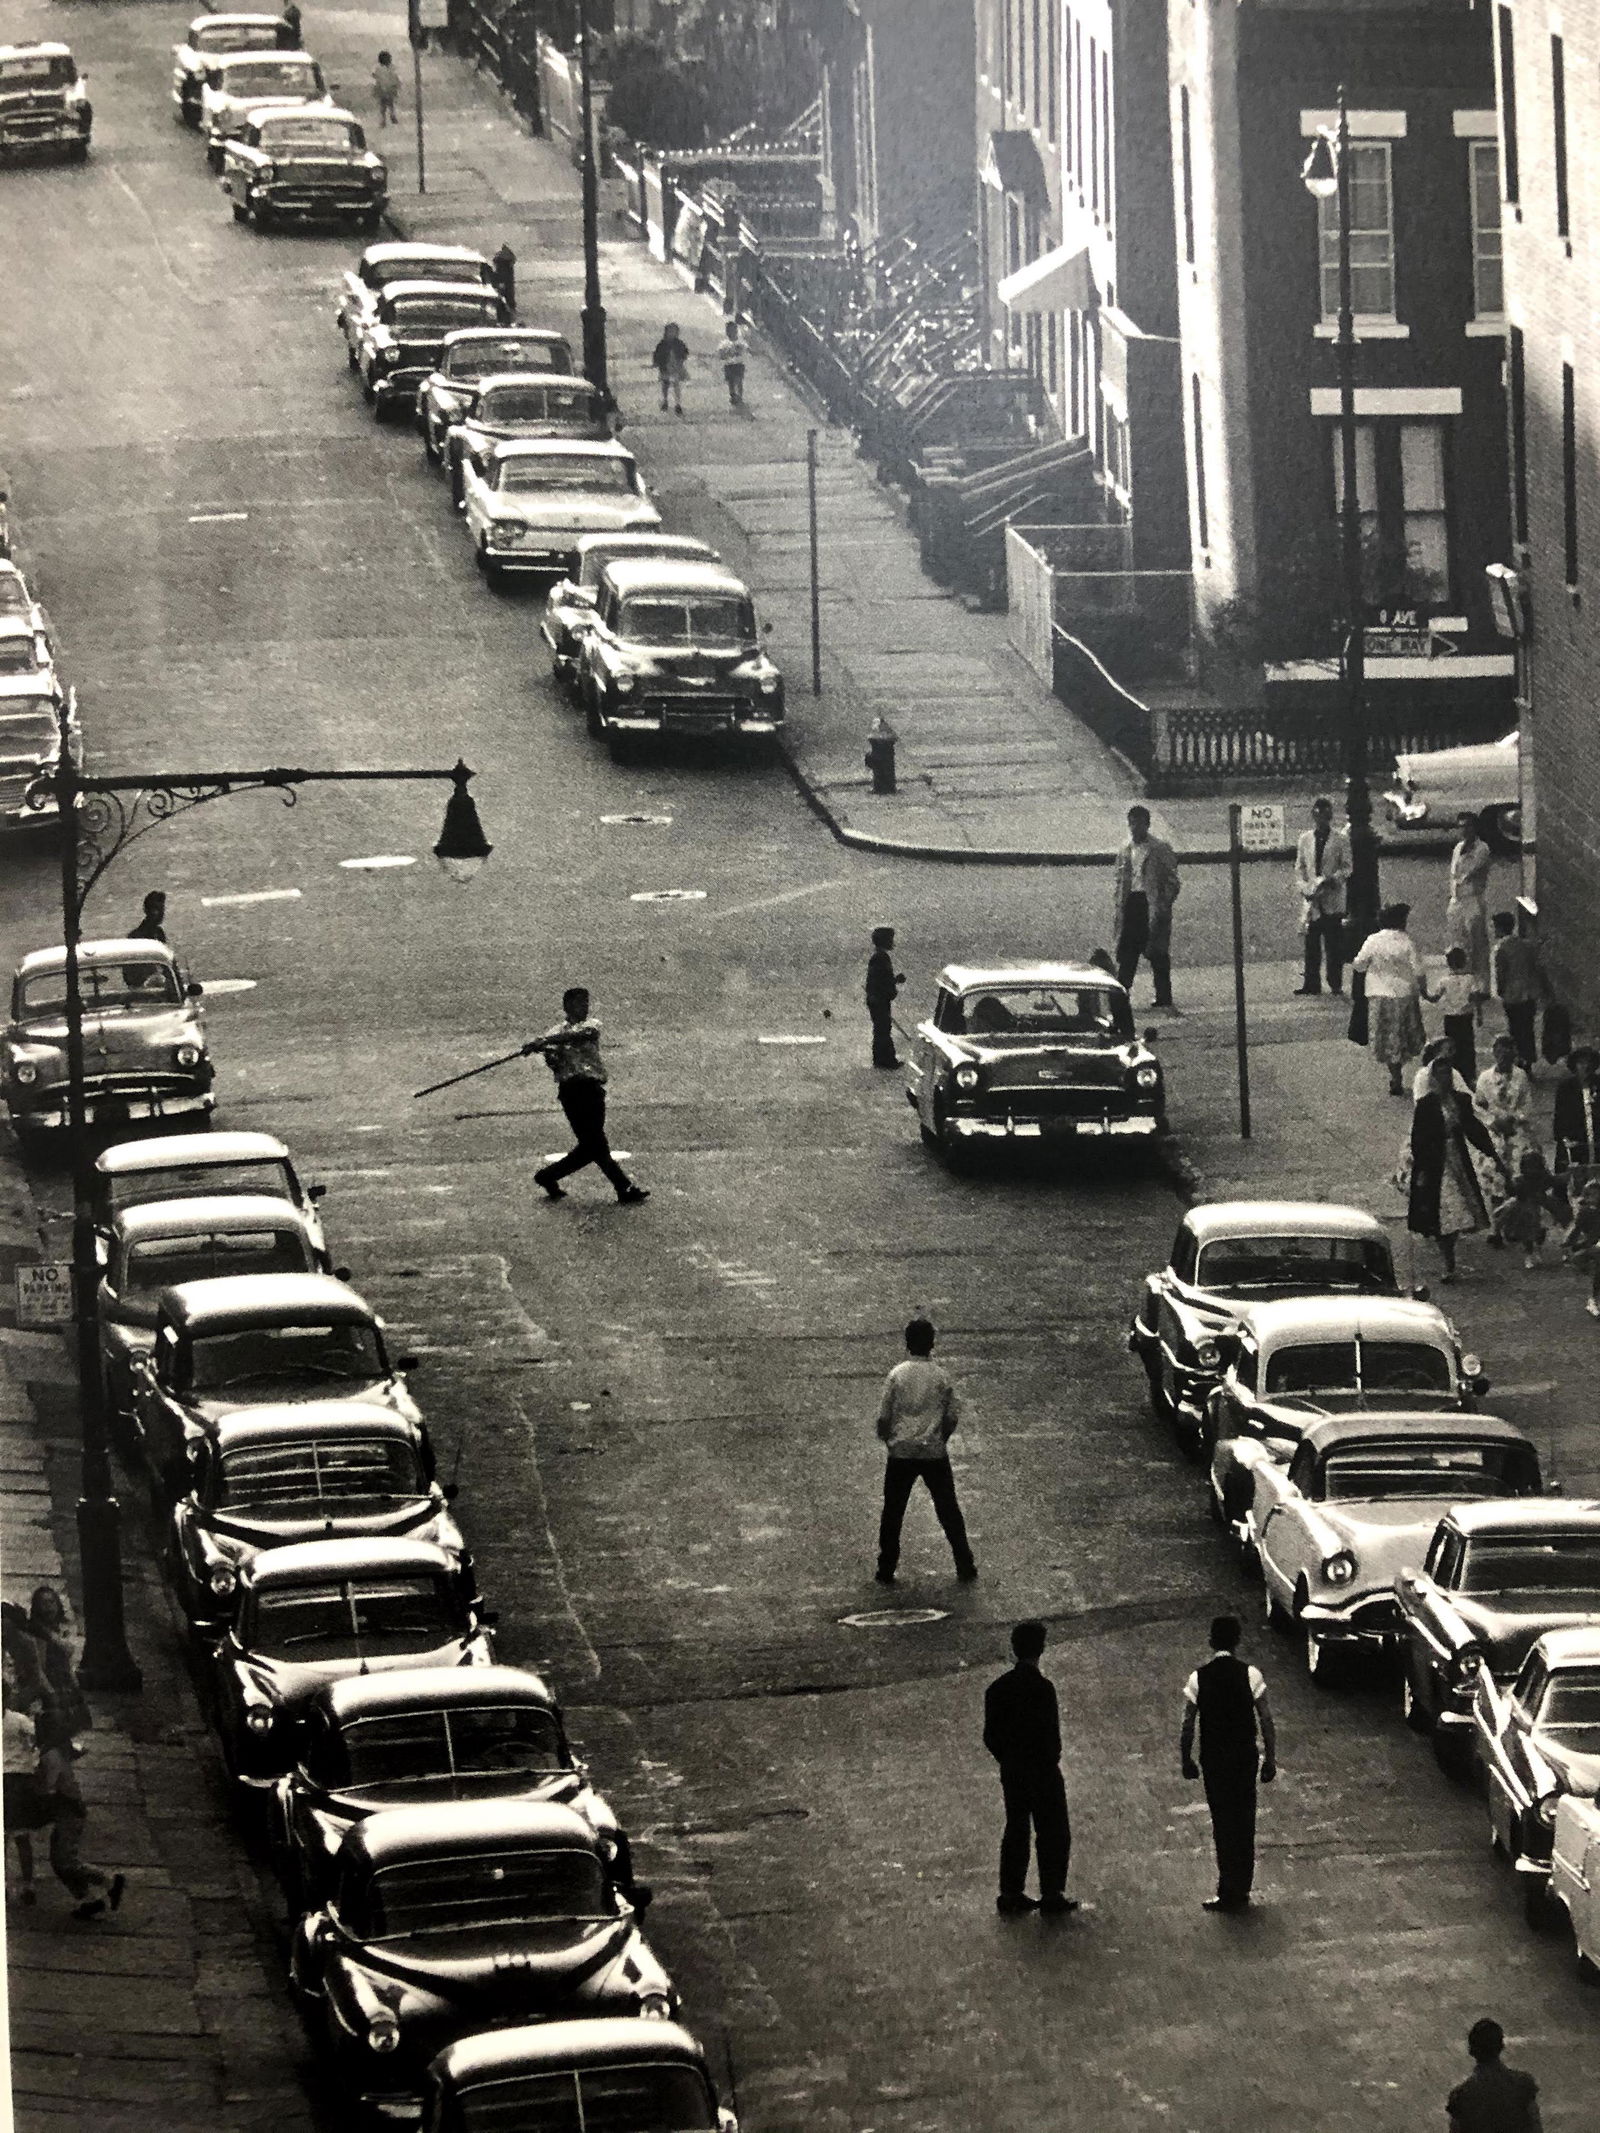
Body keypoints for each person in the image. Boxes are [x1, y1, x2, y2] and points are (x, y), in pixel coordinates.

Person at [1179, 1614, 1276, 1913]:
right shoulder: (1251, 1675)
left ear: (1211, 1641)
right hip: (1244, 1758)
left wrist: (1187, 1758)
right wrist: (1270, 1757)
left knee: (1223, 1822)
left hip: (1215, 1760)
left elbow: (1188, 1723)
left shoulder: (1199, 1678)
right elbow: (1266, 1718)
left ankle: (1227, 1887)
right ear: (1237, 1641)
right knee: (1244, 1821)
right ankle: (1241, 1887)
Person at [874, 1315, 976, 1586]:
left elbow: (884, 1417)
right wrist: (940, 1437)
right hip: (932, 1451)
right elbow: (952, 1416)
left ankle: (886, 1567)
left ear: (907, 1343)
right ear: (932, 1344)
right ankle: (964, 1562)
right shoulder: (941, 1376)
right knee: (948, 1509)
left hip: (901, 1451)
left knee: (893, 1511)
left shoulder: (897, 1374)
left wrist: (889, 1439)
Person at [983, 1621, 1076, 1917]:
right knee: (1053, 1830)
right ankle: (1051, 1892)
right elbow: (1052, 1735)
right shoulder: (1043, 1688)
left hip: (1013, 1769)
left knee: (1016, 1828)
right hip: (1043, 1770)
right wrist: (1050, 1759)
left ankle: (1011, 1892)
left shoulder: (997, 1689)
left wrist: (1007, 1758)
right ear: (1041, 1649)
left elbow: (990, 1735)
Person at [523, 988, 649, 1205]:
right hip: (571, 1093)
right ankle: (623, 1188)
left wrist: (544, 1041)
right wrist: (544, 1050)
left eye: (586, 1003)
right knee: (594, 1144)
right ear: (567, 1007)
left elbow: (584, 1035)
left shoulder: (590, 1025)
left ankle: (548, 1176)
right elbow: (555, 1065)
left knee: (592, 1145)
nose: (585, 1008)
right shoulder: (554, 1033)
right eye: (579, 1004)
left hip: (592, 1090)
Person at [1411, 1052, 1510, 1281]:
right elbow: (1419, 1140)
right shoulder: (1425, 1106)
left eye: (1448, 1074)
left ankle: (1450, 1255)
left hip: (1456, 1158)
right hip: (1435, 1163)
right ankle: (1448, 1261)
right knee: (1443, 1208)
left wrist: (1493, 1154)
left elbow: (1473, 1130)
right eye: (1440, 1074)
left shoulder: (1460, 1101)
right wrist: (1422, 1170)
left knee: (1456, 1209)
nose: (1444, 1079)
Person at [30, 1706, 125, 1921]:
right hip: (67, 1811)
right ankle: (88, 1900)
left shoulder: (50, 1755)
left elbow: (50, 1787)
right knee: (59, 1861)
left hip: (69, 1812)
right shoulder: (57, 1750)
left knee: (65, 1861)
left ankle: (108, 1881)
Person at [1351, 902, 1428, 1096]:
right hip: (1404, 994)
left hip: (1379, 994)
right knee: (1405, 1036)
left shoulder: (1373, 940)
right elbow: (1419, 971)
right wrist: (1425, 991)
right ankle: (1403, 1069)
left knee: (1387, 1038)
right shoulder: (1407, 941)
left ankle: (1395, 1074)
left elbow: (1359, 964)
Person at [1112, 806, 1181, 1010]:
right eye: (1132, 823)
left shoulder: (1159, 848)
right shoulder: (1125, 849)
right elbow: (1119, 878)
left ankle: (1163, 997)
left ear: (1147, 825)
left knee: (1157, 952)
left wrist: (1162, 903)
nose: (1135, 828)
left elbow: (1173, 881)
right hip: (1131, 903)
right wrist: (1118, 900)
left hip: (1150, 903)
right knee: (1128, 952)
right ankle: (1122, 994)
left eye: (1139, 823)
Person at [1292, 797, 1351, 996]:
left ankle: (1335, 982)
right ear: (1313, 816)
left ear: (1330, 817)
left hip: (1331, 897)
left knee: (1333, 945)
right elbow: (1300, 867)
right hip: (1312, 899)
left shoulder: (1341, 840)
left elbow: (1347, 867)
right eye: (1318, 816)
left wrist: (1332, 879)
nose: (1321, 821)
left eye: (1325, 817)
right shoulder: (1305, 839)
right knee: (1311, 944)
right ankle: (1311, 983)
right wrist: (1304, 887)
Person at [1445, 2017, 1542, 2133]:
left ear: (1471, 2051)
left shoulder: (1461, 2097)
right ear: (1501, 2046)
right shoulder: (1523, 2085)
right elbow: (1536, 2128)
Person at [28, 1587, 90, 1737]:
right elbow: (40, 1665)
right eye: (44, 1603)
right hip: (52, 1682)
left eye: (51, 1602)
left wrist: (74, 1680)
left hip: (65, 1681)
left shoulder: (56, 1630)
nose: (49, 1606)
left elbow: (68, 1657)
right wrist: (48, 1691)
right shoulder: (40, 1634)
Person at [1492, 908, 1546, 1072]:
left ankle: (1518, 1059)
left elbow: (1502, 974)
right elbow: (1535, 968)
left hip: (1512, 995)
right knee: (1527, 1027)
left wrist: (1500, 991)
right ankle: (1528, 1058)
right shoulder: (1525, 946)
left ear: (1500, 928)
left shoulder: (1501, 949)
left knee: (1515, 1028)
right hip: (1528, 993)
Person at [1474, 1034, 1536, 1176]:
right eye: (1500, 1052)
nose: (1503, 1057)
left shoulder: (1520, 1076)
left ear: (1514, 1055)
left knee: (1522, 1159)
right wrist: (1492, 1121)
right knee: (1490, 1164)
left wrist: (1515, 1118)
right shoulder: (1484, 1078)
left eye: (1508, 1053)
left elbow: (1526, 1103)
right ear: (1494, 1053)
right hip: (1494, 1129)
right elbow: (1478, 1105)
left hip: (1516, 1127)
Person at [1447, 814, 1494, 992]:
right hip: (1457, 899)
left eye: (1467, 826)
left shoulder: (1482, 849)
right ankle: (1462, 982)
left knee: (1478, 942)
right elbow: (1453, 874)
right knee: (1458, 941)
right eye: (1461, 827)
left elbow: (1469, 872)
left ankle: (1482, 986)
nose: (1463, 830)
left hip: (1472, 898)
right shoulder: (1458, 847)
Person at [1433, 945, 1482, 1085]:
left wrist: (1424, 993)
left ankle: (1453, 1072)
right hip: (1466, 1016)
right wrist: (1479, 1014)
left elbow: (1435, 997)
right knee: (1467, 1044)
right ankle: (1469, 1073)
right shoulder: (1471, 979)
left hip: (1450, 1017)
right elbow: (1476, 997)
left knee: (1450, 1045)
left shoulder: (1444, 981)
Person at [1552, 1044, 1600, 1175]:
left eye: (1589, 1062)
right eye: (1581, 1063)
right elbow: (1559, 1117)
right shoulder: (1565, 1088)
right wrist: (1564, 1139)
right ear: (1575, 1065)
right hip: (1574, 1141)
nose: (1586, 1066)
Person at [865, 925, 904, 1070]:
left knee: (881, 1028)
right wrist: (895, 981)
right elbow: (882, 982)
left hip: (876, 999)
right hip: (879, 1000)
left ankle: (881, 1059)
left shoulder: (878, 957)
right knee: (883, 1029)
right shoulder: (881, 958)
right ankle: (886, 1060)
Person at [1563, 1174, 1600, 1320]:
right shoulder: (1585, 1213)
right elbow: (1574, 1232)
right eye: (1591, 1195)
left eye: (1596, 1195)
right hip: (1589, 1248)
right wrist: (1569, 1247)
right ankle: (1593, 1300)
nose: (1593, 1199)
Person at [651, 323, 689, 415]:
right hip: (664, 367)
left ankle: (678, 403)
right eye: (670, 331)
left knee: (676, 384)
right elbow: (657, 354)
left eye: (674, 331)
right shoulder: (662, 344)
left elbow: (685, 352)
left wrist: (681, 360)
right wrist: (656, 362)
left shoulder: (679, 343)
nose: (672, 333)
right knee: (665, 384)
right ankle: (665, 400)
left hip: (676, 367)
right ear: (666, 332)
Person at [718, 317, 750, 408]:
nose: (731, 333)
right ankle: (732, 394)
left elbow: (746, 349)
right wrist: (724, 354)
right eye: (729, 331)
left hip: (739, 364)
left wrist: (743, 352)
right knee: (730, 380)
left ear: (736, 331)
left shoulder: (741, 342)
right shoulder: (724, 343)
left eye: (733, 330)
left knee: (739, 379)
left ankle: (740, 395)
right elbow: (721, 353)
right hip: (728, 364)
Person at [372, 50, 401, 126]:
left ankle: (385, 119)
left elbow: (374, 75)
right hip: (388, 88)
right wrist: (397, 85)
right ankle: (390, 116)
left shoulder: (379, 68)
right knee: (389, 104)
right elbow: (395, 77)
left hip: (383, 88)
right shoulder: (391, 68)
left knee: (384, 105)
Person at [491, 240, 517, 315]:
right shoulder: (510, 256)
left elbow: (495, 262)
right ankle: (509, 307)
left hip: (501, 277)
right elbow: (513, 261)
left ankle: (503, 307)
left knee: (502, 292)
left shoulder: (499, 256)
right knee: (509, 294)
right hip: (508, 278)